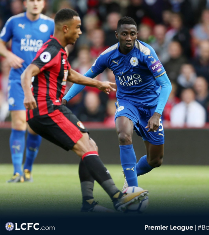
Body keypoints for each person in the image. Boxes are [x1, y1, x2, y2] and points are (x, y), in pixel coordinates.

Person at [21, 8, 148, 212]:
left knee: (91, 146)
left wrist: (97, 84)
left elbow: (69, 74)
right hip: (47, 109)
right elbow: (29, 71)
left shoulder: (61, 51)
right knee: (86, 147)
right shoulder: (51, 49)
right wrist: (27, 95)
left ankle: (88, 204)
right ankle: (117, 197)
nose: (80, 32)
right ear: (65, 28)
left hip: (51, 109)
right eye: (77, 27)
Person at [63, 16, 172, 190]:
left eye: (132, 34)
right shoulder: (108, 55)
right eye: (124, 34)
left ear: (136, 35)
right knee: (123, 134)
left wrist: (157, 114)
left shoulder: (146, 52)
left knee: (155, 160)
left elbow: (166, 85)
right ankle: (132, 190)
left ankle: (131, 174)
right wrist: (65, 99)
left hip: (151, 107)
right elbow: (86, 78)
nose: (129, 38)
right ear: (117, 35)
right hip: (127, 103)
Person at [0, 0, 54, 183]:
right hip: (17, 80)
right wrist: (8, 55)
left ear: (44, 3)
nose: (35, 3)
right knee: (19, 123)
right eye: (31, 0)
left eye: (39, 0)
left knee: (34, 127)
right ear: (25, 3)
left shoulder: (50, 24)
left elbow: (61, 49)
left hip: (40, 82)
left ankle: (27, 169)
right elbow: (1, 43)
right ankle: (17, 172)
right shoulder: (13, 22)